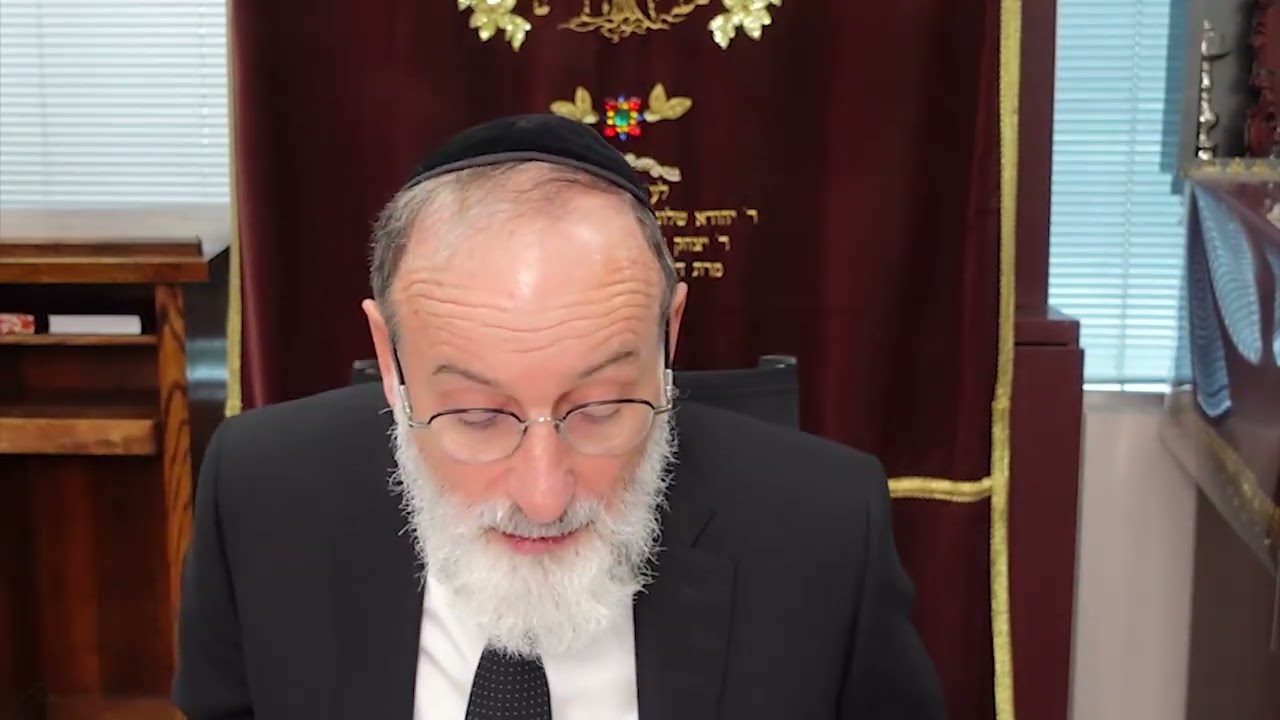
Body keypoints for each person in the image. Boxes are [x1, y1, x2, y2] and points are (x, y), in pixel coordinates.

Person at [172, 114, 945, 720]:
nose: (543, 498)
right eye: (478, 415)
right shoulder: (261, 492)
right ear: (389, 353)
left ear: (669, 337)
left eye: (601, 408)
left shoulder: (825, 530)